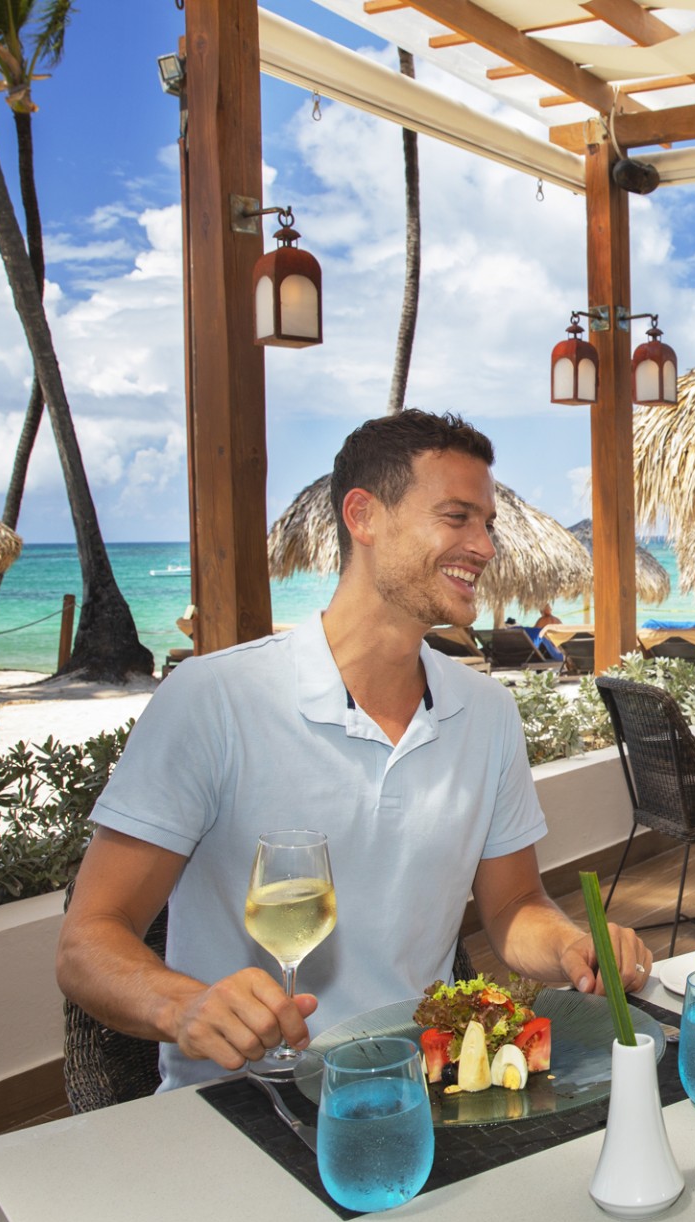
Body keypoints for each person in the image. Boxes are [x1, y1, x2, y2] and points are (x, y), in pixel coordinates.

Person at [57, 410, 650, 1092]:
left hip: (420, 1090)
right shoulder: (214, 698)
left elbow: (513, 902)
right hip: (242, 1104)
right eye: (457, 517)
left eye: (487, 523)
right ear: (363, 516)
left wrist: (569, 944)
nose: (484, 546)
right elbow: (87, 941)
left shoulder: (486, 714)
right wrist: (182, 1003)